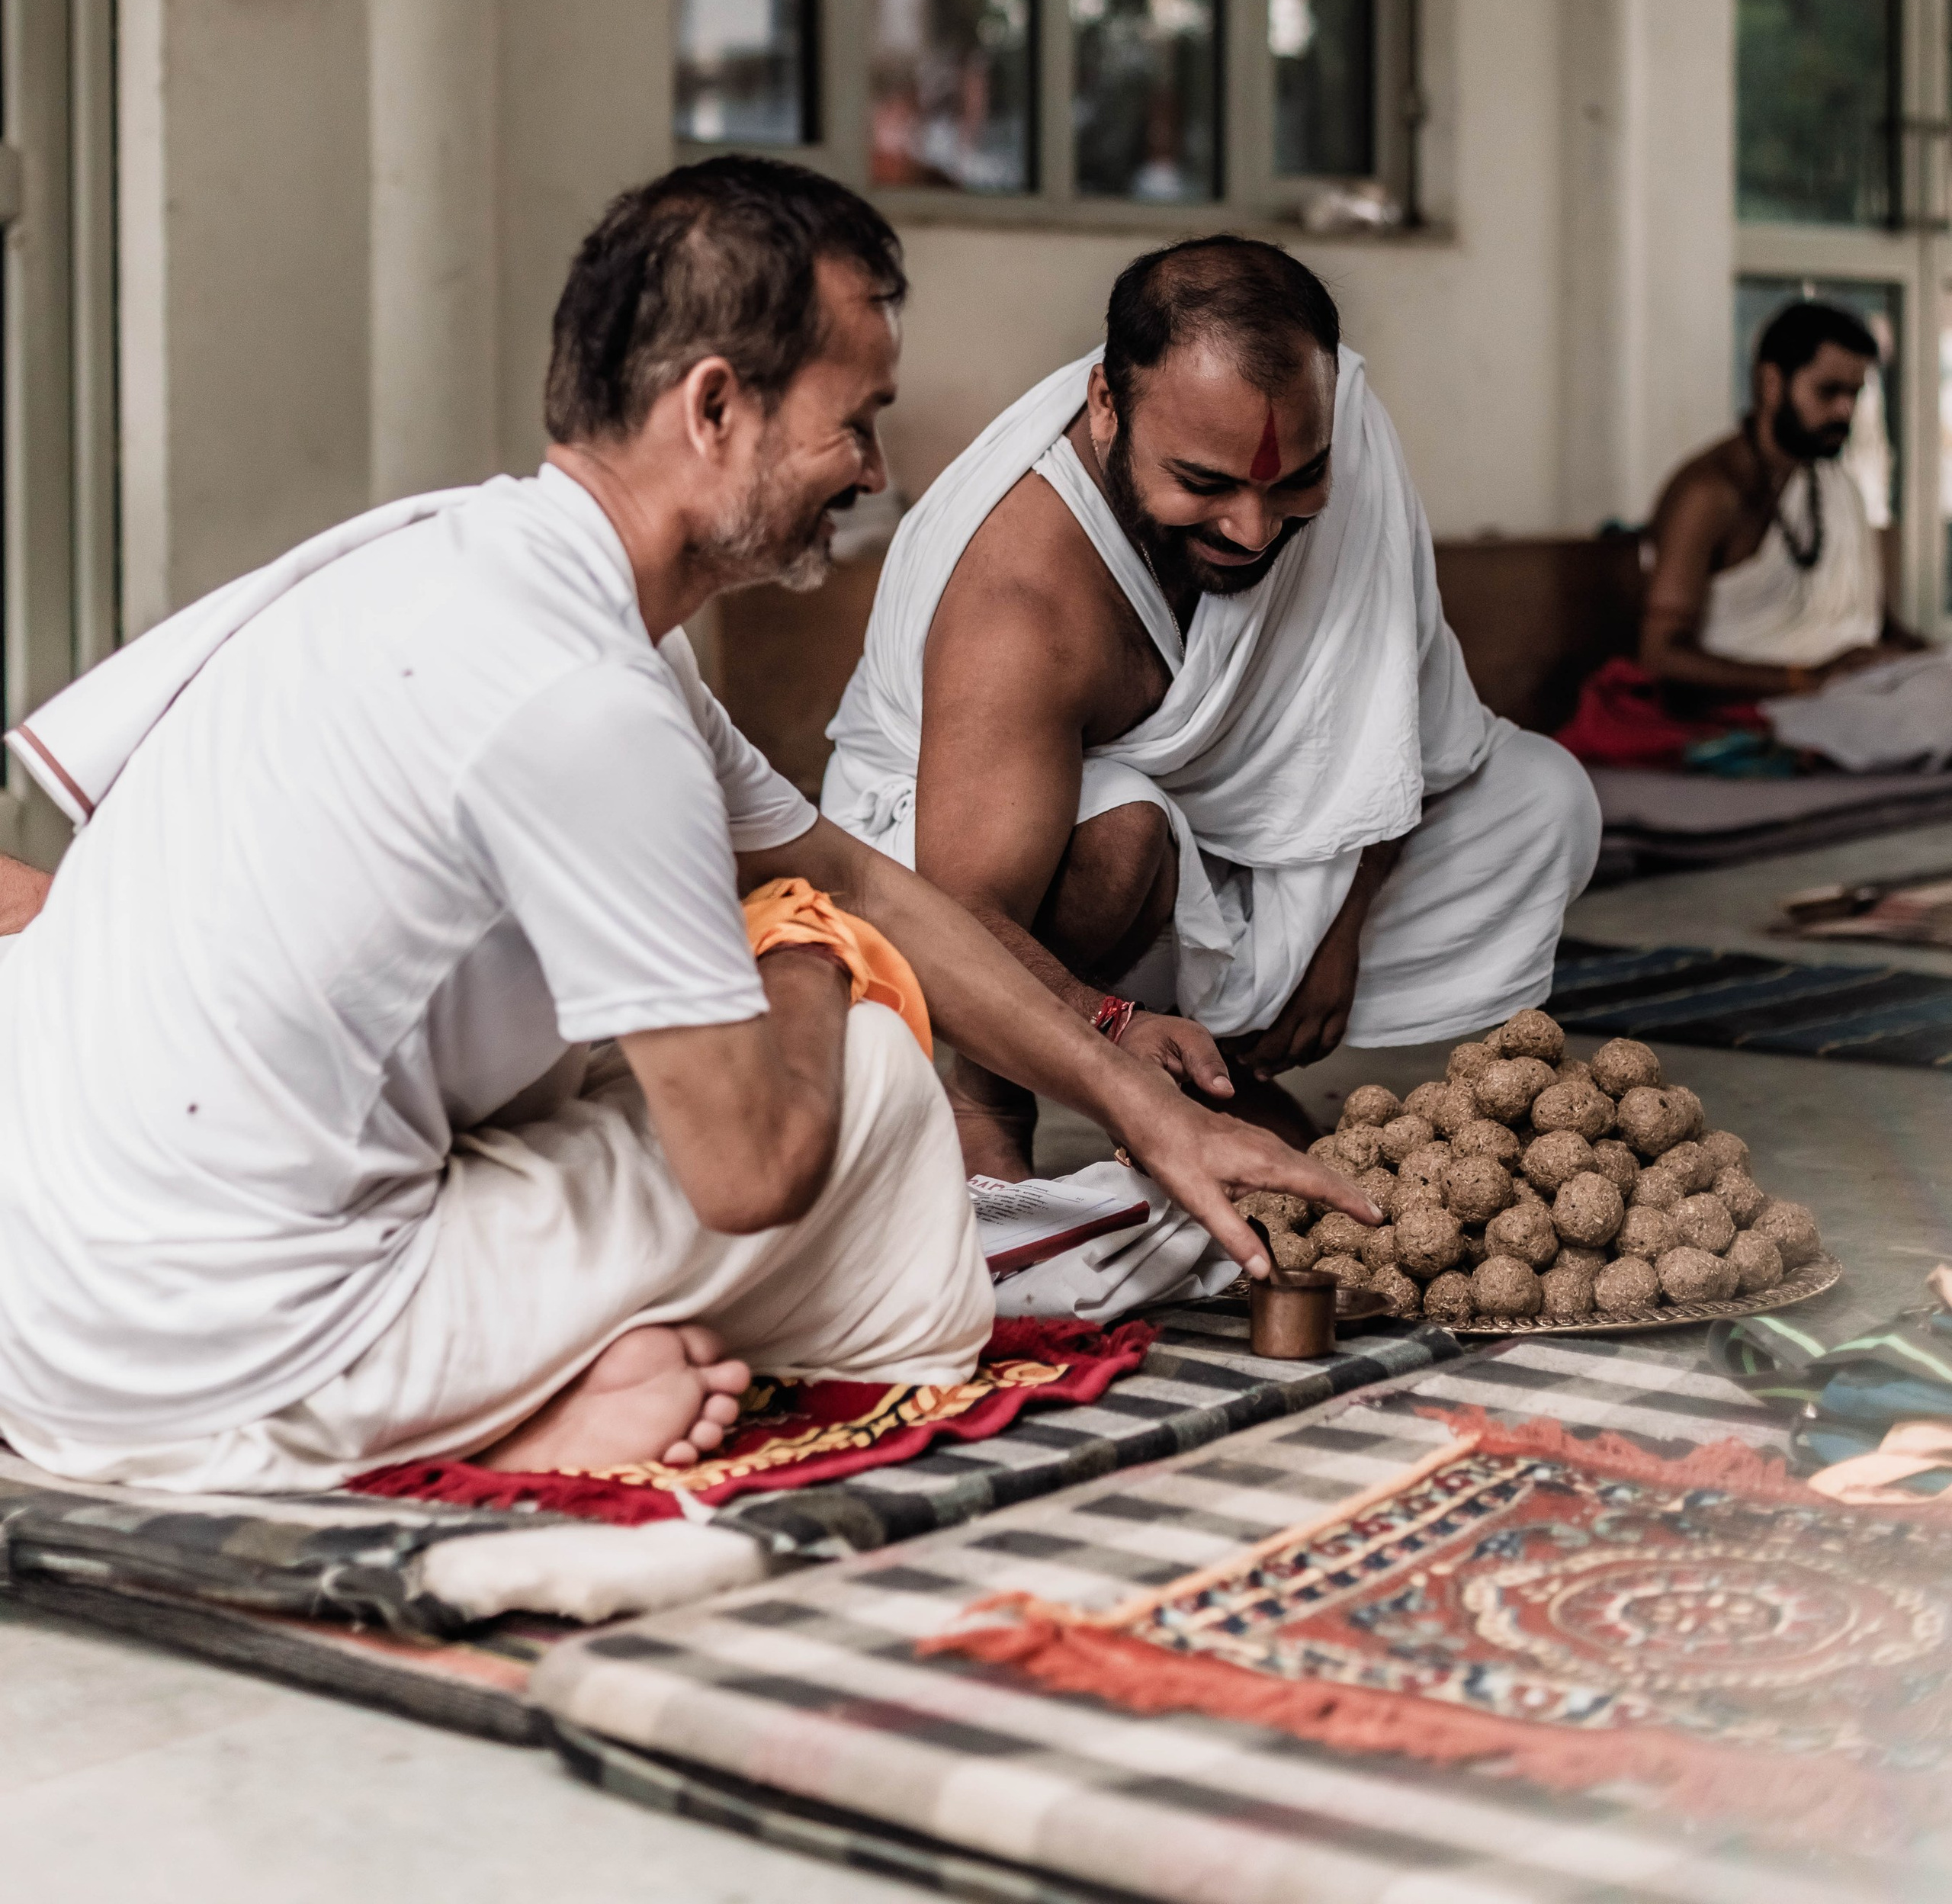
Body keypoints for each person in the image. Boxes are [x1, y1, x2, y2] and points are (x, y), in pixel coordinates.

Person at [0, 163, 1367, 1495]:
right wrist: (807, 954)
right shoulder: (589, 706)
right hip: (213, 1352)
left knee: (630, 1035)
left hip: (51, 1272)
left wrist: (1143, 1107)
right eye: (856, 421)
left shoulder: (473, 567)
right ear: (716, 407)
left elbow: (861, 877)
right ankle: (478, 1409)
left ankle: (511, 1366)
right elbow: (755, 1164)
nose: (879, 471)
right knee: (877, 1094)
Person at [823, 236, 1600, 1182]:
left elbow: (1401, 734)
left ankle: (1212, 1071)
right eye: (1204, 484)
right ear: (1107, 405)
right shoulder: (1021, 602)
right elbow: (959, 911)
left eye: (1292, 484)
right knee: (1122, 821)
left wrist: (1337, 930)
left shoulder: (1347, 430)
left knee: (1539, 798)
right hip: (949, 875)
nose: (1252, 529)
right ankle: (986, 1093)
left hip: (1217, 848)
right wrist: (1112, 1028)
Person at [1560, 297, 1952, 778]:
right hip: (1765, 706)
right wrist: (1807, 678)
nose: (1845, 410)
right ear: (1772, 383)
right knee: (1935, 713)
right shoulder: (1710, 493)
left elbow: (1880, 628)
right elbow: (1661, 655)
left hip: (1858, 692)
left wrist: (1924, 657)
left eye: (1855, 393)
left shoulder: (1837, 487)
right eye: (1829, 391)